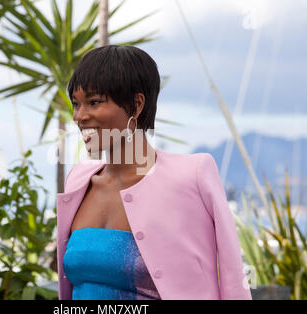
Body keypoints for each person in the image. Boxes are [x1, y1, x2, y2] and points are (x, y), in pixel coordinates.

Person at [56, 45, 252, 300]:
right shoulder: (78, 181)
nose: (79, 116)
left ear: (136, 105)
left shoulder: (191, 175)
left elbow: (232, 278)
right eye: (76, 104)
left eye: (94, 102)